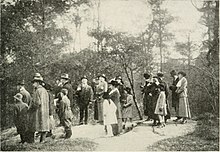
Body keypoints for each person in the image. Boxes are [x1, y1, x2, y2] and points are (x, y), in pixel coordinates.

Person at [30, 73, 50, 143]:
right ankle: (43, 140)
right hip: (45, 111)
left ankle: (40, 141)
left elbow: (37, 103)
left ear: (38, 83)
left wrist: (32, 108)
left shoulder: (37, 91)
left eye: (34, 83)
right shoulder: (45, 90)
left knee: (39, 125)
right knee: (44, 126)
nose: (33, 84)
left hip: (39, 111)